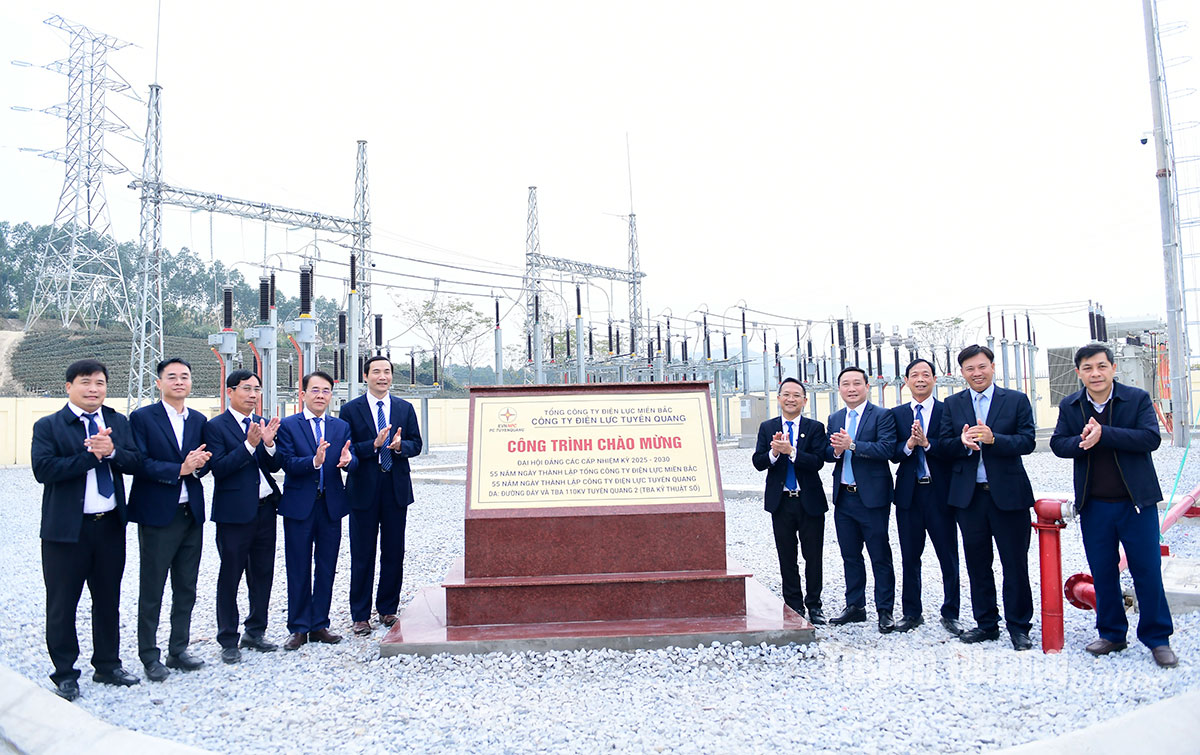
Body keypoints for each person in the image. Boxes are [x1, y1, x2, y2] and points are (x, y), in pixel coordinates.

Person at [1049, 343, 1177, 668]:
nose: (1095, 373)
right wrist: (1083, 441)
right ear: (1078, 373)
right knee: (1103, 573)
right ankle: (1112, 634)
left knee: (1147, 572)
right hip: (1094, 505)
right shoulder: (1071, 405)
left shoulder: (1136, 399)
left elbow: (1150, 438)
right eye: (1088, 368)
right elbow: (1058, 444)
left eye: (1101, 366)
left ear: (1113, 368)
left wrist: (1104, 434)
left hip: (1137, 504)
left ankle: (1158, 639)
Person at [31, 359, 142, 700]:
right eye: (85, 382)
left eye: (100, 383)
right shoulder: (49, 426)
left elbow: (135, 461)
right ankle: (65, 673)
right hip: (66, 531)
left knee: (108, 599)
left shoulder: (117, 421)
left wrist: (112, 452)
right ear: (69, 387)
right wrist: (91, 457)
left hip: (109, 526)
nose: (93, 389)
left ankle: (107, 665)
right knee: (62, 603)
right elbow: (44, 470)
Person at [939, 345, 1036, 651]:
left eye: (982, 367)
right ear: (962, 373)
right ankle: (986, 623)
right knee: (978, 563)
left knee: (1015, 563)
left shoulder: (1016, 400)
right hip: (970, 498)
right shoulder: (952, 404)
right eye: (970, 369)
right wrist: (961, 442)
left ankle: (1019, 626)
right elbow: (943, 445)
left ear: (992, 367)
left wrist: (995, 440)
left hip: (1008, 495)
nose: (977, 373)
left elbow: (1028, 441)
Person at [127, 358, 211, 682]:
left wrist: (200, 464)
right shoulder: (142, 418)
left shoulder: (198, 419)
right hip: (158, 514)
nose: (179, 382)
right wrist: (180, 469)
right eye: (172, 377)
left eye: (184, 376)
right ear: (159, 382)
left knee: (186, 586)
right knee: (153, 588)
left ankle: (179, 649)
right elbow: (139, 462)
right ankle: (149, 655)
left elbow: (203, 462)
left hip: (191, 513)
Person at [340, 355, 423, 635]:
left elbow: (416, 443)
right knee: (362, 553)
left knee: (394, 551)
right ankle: (360, 615)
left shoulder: (404, 408)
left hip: (395, 488)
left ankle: (388, 609)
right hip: (363, 489)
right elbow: (347, 449)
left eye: (387, 371)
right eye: (376, 371)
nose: (382, 376)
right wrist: (373, 445)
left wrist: (399, 447)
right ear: (366, 376)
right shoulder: (350, 409)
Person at [203, 370, 282, 664]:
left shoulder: (260, 423)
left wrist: (269, 444)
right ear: (230, 391)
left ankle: (255, 631)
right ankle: (228, 638)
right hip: (234, 514)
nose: (252, 395)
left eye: (256, 389)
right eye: (246, 388)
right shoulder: (215, 427)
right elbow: (219, 468)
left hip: (265, 509)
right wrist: (249, 445)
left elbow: (274, 466)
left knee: (262, 573)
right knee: (231, 574)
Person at [276, 371, 357, 651]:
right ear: (303, 394)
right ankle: (298, 627)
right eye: (315, 390)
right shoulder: (289, 425)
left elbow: (352, 459)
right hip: (300, 506)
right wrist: (314, 461)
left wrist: (349, 461)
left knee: (326, 566)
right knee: (298, 566)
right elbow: (287, 463)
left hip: (330, 505)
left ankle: (320, 623)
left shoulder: (340, 427)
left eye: (325, 391)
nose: (320, 395)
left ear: (331, 395)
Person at [889, 359, 963, 636]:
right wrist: (909, 445)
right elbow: (892, 452)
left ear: (934, 379)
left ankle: (951, 612)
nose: (920, 379)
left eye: (925, 374)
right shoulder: (896, 414)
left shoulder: (948, 410)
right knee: (910, 555)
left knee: (948, 555)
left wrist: (928, 444)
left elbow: (955, 447)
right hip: (909, 494)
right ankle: (911, 612)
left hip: (940, 492)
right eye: (914, 375)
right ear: (906, 380)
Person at [824, 366, 898, 633]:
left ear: (867, 386)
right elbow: (828, 452)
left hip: (872, 498)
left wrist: (852, 445)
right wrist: (835, 451)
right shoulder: (835, 417)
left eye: (857, 383)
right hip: (844, 497)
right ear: (839, 389)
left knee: (879, 555)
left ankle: (885, 609)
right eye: (846, 384)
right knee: (850, 555)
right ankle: (855, 606)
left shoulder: (882, 415)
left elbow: (887, 449)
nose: (851, 388)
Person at [752, 378, 828, 624]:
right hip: (781, 502)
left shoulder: (815, 427)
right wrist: (774, 453)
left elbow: (817, 462)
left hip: (809, 500)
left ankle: (814, 605)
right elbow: (758, 462)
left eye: (796, 395)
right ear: (778, 398)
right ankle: (793, 604)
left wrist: (792, 452)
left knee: (813, 555)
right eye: (786, 394)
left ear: (804, 401)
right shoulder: (768, 427)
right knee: (787, 555)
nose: (791, 399)